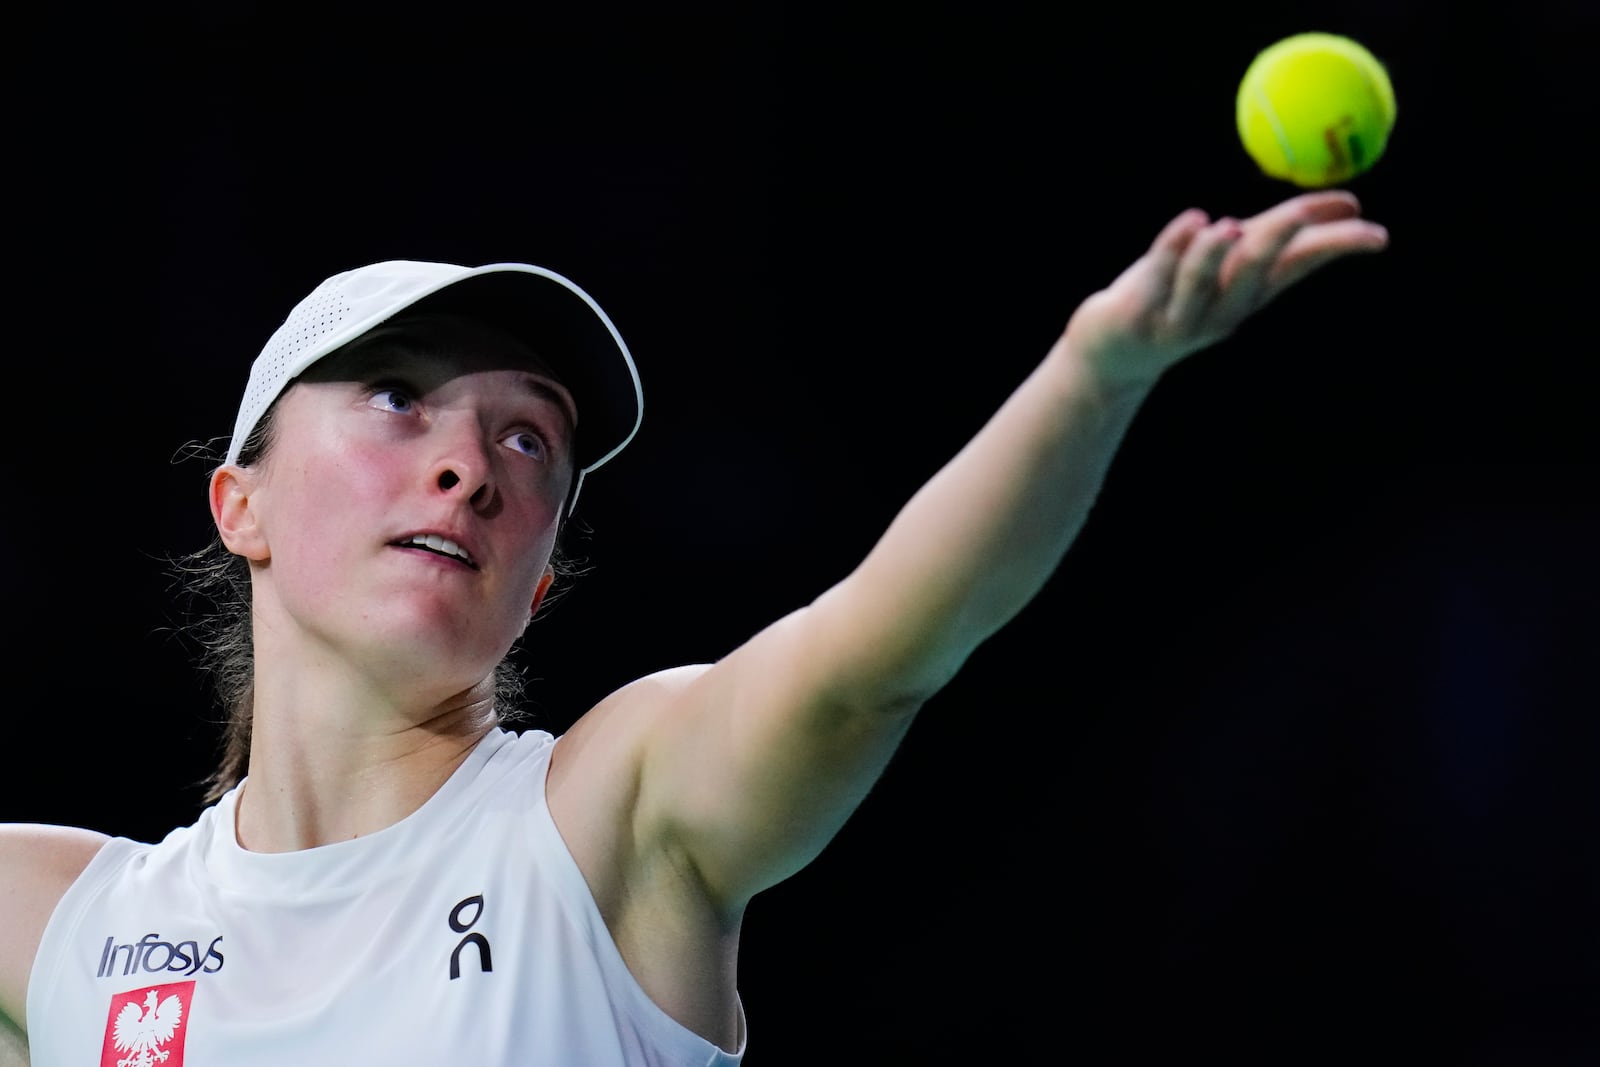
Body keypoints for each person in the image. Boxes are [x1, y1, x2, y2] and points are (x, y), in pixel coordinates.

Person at [0, 189, 1388, 1065]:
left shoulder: (609, 822)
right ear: (239, 502)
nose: (470, 464)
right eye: (396, 399)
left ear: (536, 579)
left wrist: (1098, 372)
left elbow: (876, 656)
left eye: (529, 441)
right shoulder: (56, 928)